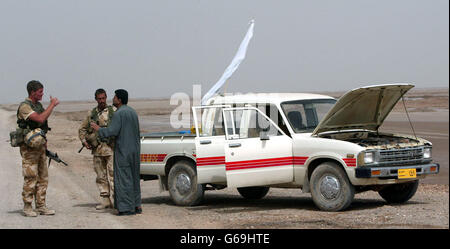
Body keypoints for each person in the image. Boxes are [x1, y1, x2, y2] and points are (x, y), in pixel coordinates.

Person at [91, 89, 142, 216]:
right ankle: (137, 205)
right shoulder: (132, 112)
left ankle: (125, 208)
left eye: (114, 97)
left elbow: (111, 131)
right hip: (134, 151)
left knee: (123, 179)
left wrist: (99, 129)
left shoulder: (119, 113)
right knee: (134, 178)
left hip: (123, 151)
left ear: (119, 99)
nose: (112, 99)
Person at [17, 80, 59, 217]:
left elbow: (42, 127)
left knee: (43, 177)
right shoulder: (25, 107)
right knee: (30, 176)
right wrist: (52, 105)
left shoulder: (38, 105)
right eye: (40, 91)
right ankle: (28, 206)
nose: (42, 94)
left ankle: (41, 205)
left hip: (39, 146)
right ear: (33, 92)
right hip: (29, 149)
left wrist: (44, 142)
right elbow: (40, 119)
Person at [78, 89, 115, 210]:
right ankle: (105, 200)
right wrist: (84, 141)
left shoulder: (112, 112)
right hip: (98, 151)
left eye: (103, 98)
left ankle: (116, 200)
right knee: (100, 176)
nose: (101, 101)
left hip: (111, 150)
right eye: (99, 99)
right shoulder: (92, 114)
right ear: (96, 99)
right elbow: (82, 129)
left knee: (113, 175)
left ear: (106, 98)